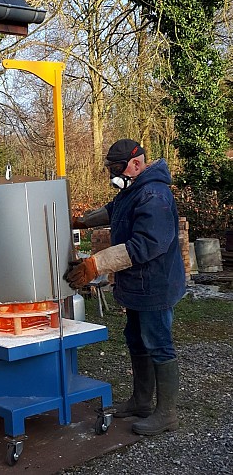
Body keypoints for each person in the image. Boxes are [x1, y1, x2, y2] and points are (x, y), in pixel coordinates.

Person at [66, 138, 185, 436]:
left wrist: (95, 264)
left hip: (155, 283)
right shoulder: (134, 189)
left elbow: (146, 244)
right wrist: (81, 221)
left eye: (115, 169)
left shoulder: (154, 195)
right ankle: (142, 402)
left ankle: (167, 414)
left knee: (158, 343)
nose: (112, 176)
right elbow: (114, 209)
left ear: (135, 163)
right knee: (136, 339)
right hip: (137, 283)